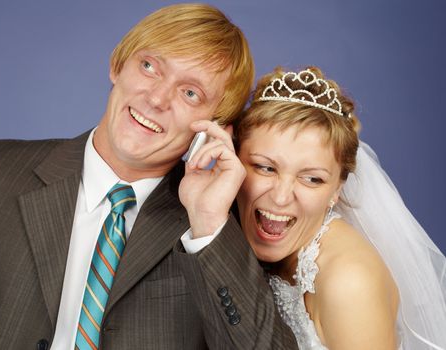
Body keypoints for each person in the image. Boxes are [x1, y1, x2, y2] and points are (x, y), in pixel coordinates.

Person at [0, 4, 298, 350]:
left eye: (189, 93)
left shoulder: (223, 223)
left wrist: (209, 224)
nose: (156, 98)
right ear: (118, 64)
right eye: (149, 66)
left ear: (215, 128)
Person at [180, 66, 446, 349]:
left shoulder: (350, 281)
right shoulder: (220, 223)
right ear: (233, 160)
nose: (281, 197)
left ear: (337, 190)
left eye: (312, 179)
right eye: (265, 167)